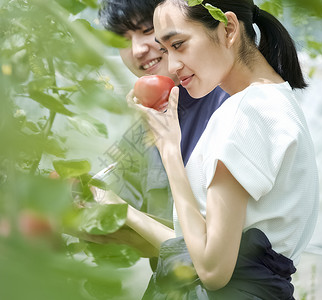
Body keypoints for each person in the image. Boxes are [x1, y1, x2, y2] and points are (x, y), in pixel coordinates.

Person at [123, 0, 320, 299]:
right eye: (165, 50)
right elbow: (202, 246)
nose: (173, 65)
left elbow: (213, 271)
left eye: (179, 44)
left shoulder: (244, 113)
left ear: (228, 29)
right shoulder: (275, 100)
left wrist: (169, 151)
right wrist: (122, 212)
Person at [84, 0, 229, 261]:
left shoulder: (229, 107)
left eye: (148, 29)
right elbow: (115, 235)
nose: (138, 49)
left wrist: (123, 213)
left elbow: (221, 253)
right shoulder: (144, 126)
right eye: (123, 40)